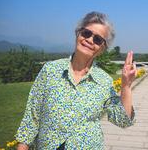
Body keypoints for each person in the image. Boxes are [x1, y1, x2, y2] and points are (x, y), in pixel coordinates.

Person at [16, 11, 136, 149]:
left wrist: (126, 85)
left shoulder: (104, 81)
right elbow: (32, 117)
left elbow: (123, 120)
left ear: (102, 48)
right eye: (86, 33)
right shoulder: (50, 70)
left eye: (97, 39)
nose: (90, 40)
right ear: (77, 33)